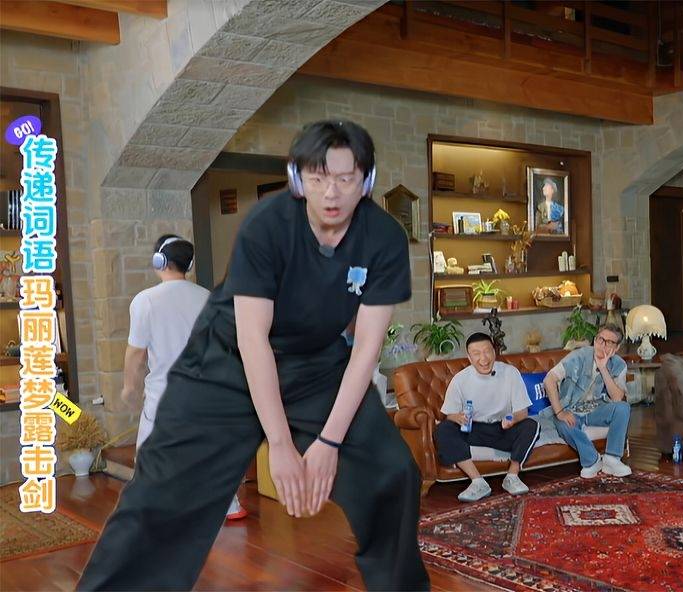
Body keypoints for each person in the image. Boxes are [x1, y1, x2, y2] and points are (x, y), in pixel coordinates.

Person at [78, 121, 429, 591]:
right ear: (298, 178)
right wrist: (281, 445)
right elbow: (253, 340)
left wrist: (328, 444)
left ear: (366, 181)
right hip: (227, 362)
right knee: (164, 497)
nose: (332, 193)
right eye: (319, 178)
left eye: (346, 179)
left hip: (318, 363)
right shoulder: (268, 224)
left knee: (392, 473)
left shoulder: (383, 237)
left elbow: (366, 346)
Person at [121, 235, 247, 519]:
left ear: (159, 261)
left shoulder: (145, 301)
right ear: (189, 265)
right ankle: (230, 506)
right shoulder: (208, 297)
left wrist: (129, 387)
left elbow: (136, 353)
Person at [436, 333, 540, 502]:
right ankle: (477, 482)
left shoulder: (510, 373)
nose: (483, 358)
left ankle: (512, 477)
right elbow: (450, 415)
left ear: (494, 352)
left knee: (531, 425)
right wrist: (459, 418)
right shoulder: (460, 379)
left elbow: (523, 412)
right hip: (473, 429)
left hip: (503, 428)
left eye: (487, 351)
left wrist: (512, 418)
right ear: (469, 357)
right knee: (444, 429)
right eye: (476, 353)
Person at [542, 325, 632, 478]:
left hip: (597, 409)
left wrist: (603, 368)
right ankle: (592, 460)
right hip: (571, 409)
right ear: (595, 340)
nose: (603, 345)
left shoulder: (619, 365)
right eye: (600, 339)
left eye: (609, 342)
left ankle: (612, 459)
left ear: (616, 348)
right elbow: (548, 380)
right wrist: (560, 412)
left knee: (623, 408)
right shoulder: (579, 356)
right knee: (561, 422)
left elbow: (617, 398)